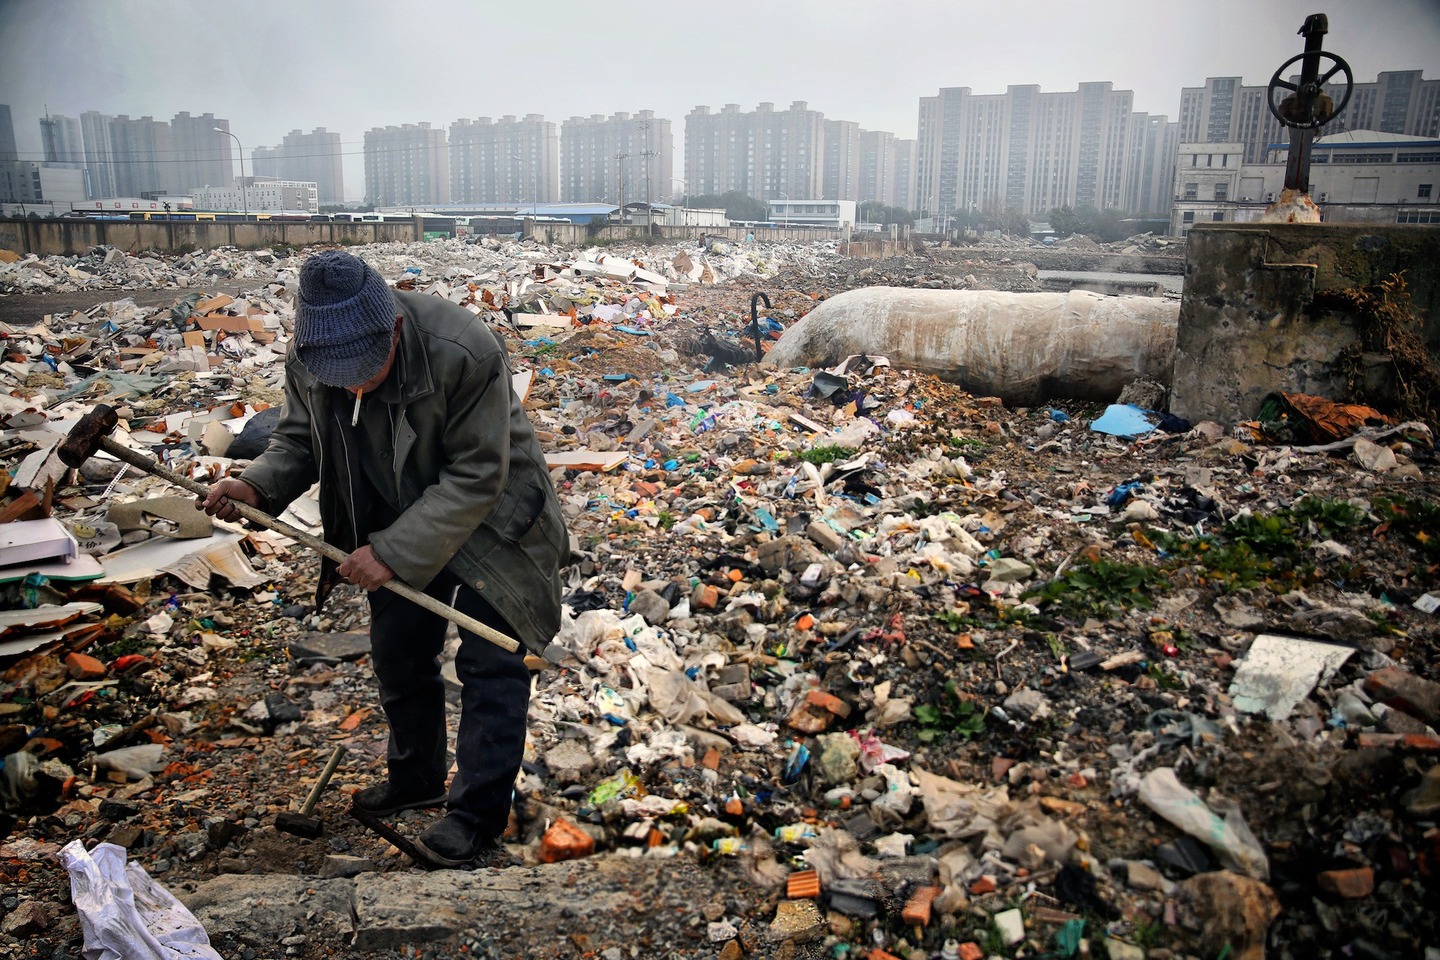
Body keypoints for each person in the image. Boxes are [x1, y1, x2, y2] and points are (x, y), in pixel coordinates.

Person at [198, 250, 567, 868]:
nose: (353, 386)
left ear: (391, 326)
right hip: (396, 517)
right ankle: (416, 777)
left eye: (365, 371)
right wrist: (257, 485)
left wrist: (392, 552)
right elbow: (298, 439)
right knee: (399, 654)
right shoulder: (312, 359)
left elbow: (477, 474)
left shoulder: (464, 350)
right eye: (339, 376)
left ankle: (475, 816)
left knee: (493, 666)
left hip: (497, 524)